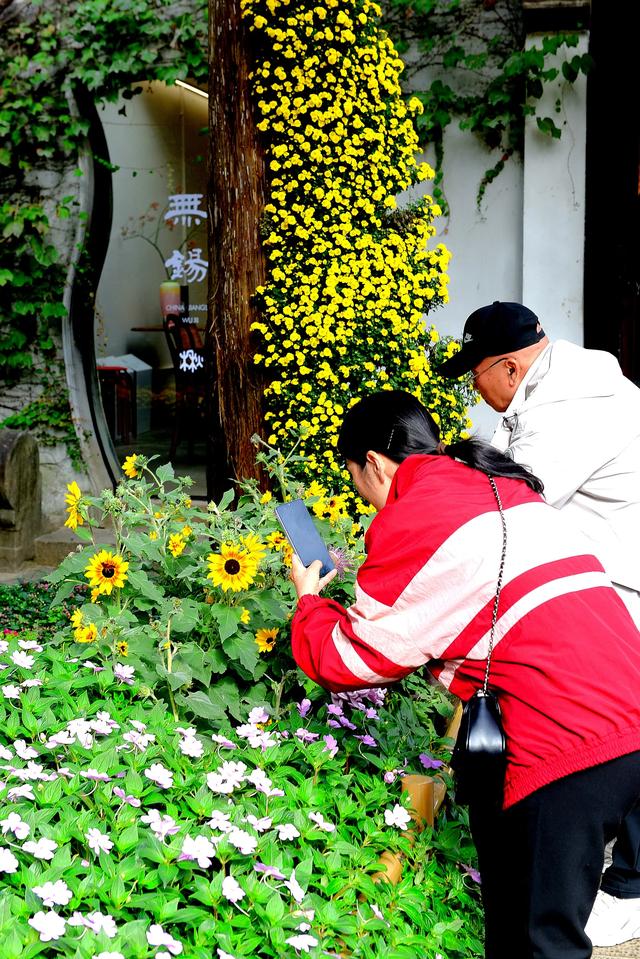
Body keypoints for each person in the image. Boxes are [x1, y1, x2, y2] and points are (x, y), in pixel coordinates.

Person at [289, 390, 640, 959]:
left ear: (373, 463)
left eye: (357, 479)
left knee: (540, 942)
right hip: (627, 707)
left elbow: (350, 659)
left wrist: (309, 603)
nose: (366, 499)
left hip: (567, 740)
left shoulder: (415, 515)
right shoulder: (499, 484)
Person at [436, 301, 640, 947]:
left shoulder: (569, 408)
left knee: (625, 725)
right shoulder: (554, 385)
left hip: (624, 584)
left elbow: (508, 499)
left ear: (509, 364)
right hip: (606, 577)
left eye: (475, 373)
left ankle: (629, 888)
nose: (473, 387)